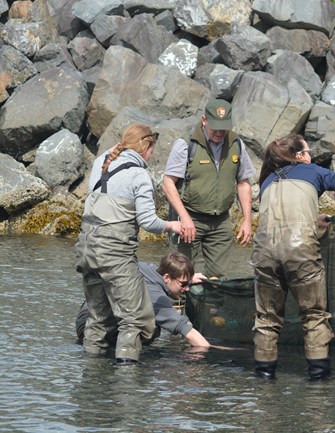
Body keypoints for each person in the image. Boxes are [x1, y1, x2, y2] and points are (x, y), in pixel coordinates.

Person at [252, 133, 335, 380]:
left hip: (264, 254)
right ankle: (318, 380)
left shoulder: (267, 181)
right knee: (314, 315)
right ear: (298, 156)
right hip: (301, 252)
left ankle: (263, 377)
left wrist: (313, 222)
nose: (311, 156)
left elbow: (280, 220)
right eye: (307, 151)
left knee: (267, 318)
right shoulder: (314, 171)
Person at [75, 123, 182, 365]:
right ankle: (127, 380)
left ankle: (91, 374)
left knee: (98, 317)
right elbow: (147, 221)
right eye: (152, 149)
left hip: (87, 252)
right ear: (146, 147)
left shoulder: (101, 162)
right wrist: (171, 225)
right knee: (134, 320)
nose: (152, 155)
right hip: (114, 256)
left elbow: (114, 150)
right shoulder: (139, 174)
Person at [162, 99, 255, 279]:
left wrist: (247, 221)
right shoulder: (186, 144)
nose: (220, 132)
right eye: (215, 127)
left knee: (218, 278)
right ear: (204, 120)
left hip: (220, 222)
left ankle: (210, 307)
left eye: (224, 127)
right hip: (189, 218)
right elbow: (167, 183)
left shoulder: (236, 144)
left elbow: (243, 183)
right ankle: (178, 307)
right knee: (179, 274)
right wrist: (185, 218)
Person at [76, 252, 211, 348]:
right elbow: (187, 331)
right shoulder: (154, 295)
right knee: (151, 327)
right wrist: (210, 353)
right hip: (92, 328)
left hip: (89, 313)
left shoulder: (147, 269)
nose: (187, 288)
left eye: (189, 283)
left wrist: (188, 279)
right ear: (166, 278)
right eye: (183, 284)